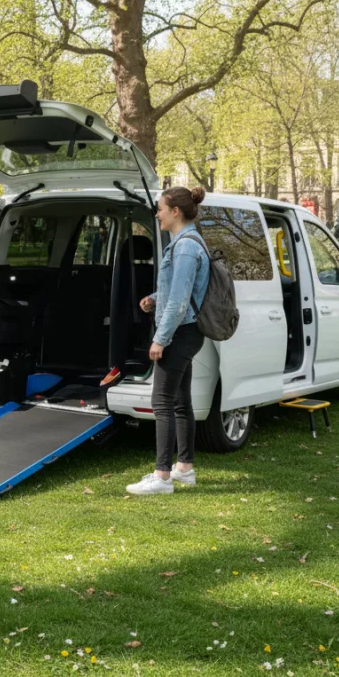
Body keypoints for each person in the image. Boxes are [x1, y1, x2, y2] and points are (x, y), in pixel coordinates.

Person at [126, 186, 210, 496]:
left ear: (175, 211)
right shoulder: (187, 243)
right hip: (187, 331)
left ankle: (162, 477)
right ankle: (184, 469)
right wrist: (153, 298)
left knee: (161, 402)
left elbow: (179, 300)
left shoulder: (186, 247)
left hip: (180, 333)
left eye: (160, 208)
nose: (157, 213)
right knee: (179, 401)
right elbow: (178, 291)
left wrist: (160, 339)